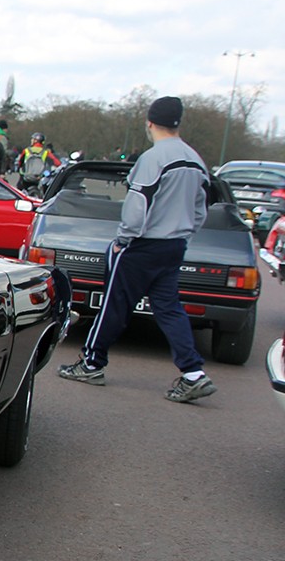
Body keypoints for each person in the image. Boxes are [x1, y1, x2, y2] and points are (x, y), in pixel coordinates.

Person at [59, 96, 217, 403]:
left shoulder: (153, 158)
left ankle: (91, 363)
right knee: (169, 309)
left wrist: (124, 239)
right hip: (175, 244)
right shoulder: (196, 160)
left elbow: (138, 203)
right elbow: (201, 208)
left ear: (150, 122)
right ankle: (193, 373)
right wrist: (184, 234)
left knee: (114, 305)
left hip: (143, 243)